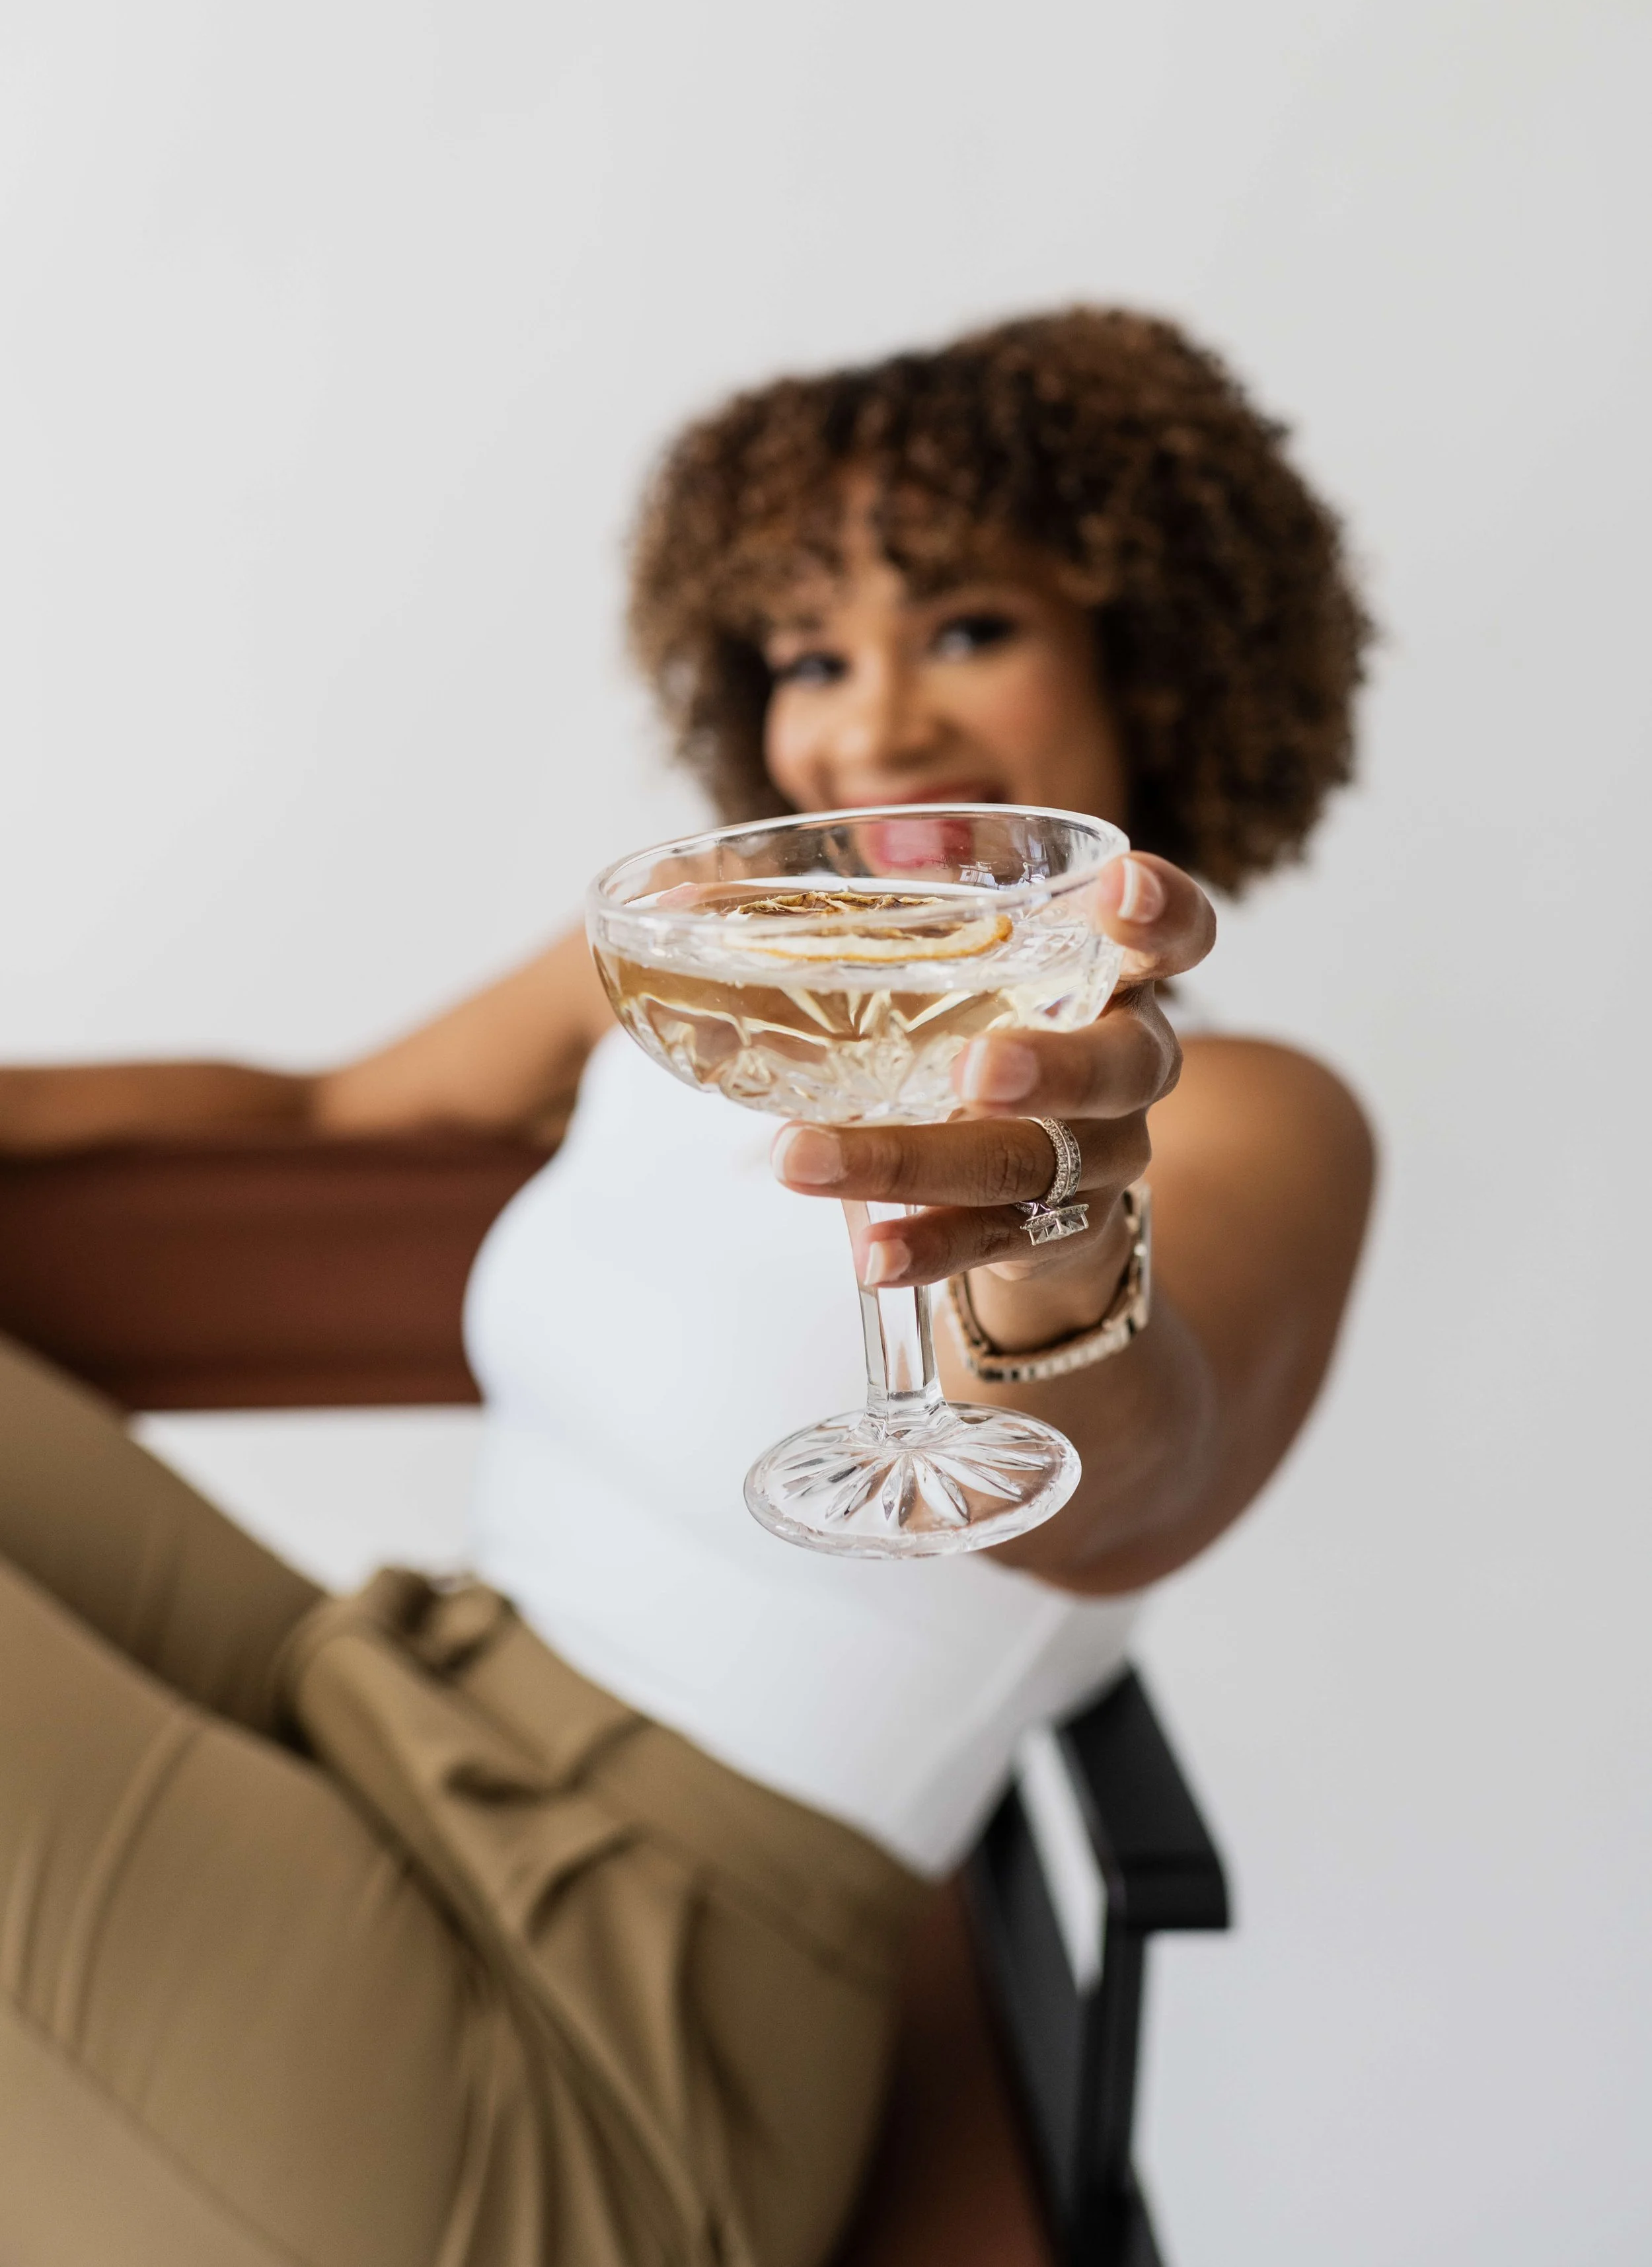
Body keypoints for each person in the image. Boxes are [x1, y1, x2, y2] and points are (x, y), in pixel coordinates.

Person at [0, 307, 1374, 2267]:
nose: (873, 726)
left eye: (967, 628)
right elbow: (320, 1110)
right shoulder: (706, 969)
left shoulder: (1249, 1112)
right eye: (810, 654)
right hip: (378, 1699)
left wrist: (1050, 1247)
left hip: (621, 2024)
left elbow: (1135, 1490)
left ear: (1151, 657)